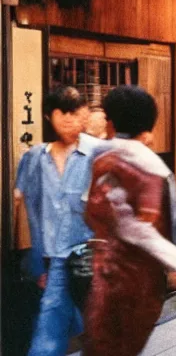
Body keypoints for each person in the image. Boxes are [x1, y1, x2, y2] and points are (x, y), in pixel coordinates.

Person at [84, 86, 176, 356]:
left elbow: (124, 222)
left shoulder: (99, 156)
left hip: (106, 270)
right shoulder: (155, 168)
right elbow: (154, 223)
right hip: (143, 278)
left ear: (111, 121)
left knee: (102, 345)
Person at [16, 86, 96, 356]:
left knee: (97, 323)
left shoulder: (97, 153)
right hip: (58, 260)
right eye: (62, 113)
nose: (69, 119)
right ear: (50, 116)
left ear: (84, 113)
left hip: (92, 257)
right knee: (50, 324)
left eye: (74, 112)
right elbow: (31, 213)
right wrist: (37, 263)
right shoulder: (34, 158)